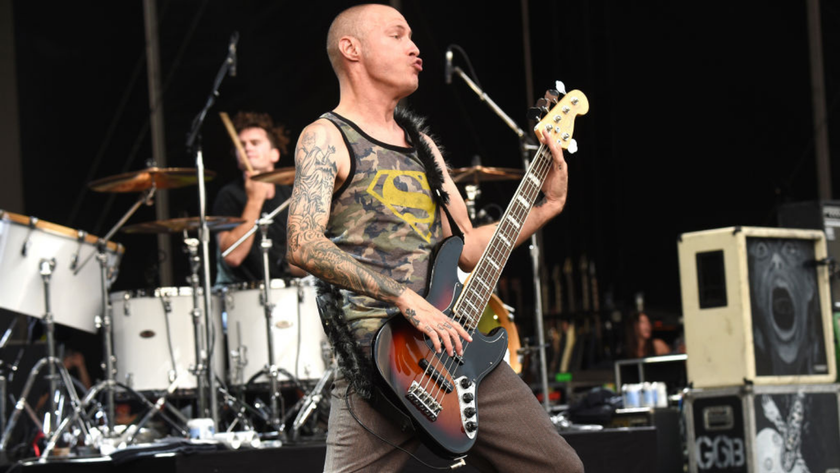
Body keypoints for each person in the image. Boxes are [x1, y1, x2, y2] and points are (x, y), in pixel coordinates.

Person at [285, 4, 583, 471]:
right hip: (379, 360)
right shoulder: (325, 137)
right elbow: (302, 244)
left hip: (454, 350)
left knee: (560, 467)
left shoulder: (423, 147)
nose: (415, 47)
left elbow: (467, 251)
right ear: (351, 49)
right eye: (397, 35)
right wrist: (406, 299)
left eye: (412, 37)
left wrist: (547, 206)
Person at [213, 111, 304, 285]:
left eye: (255, 143)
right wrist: (254, 200)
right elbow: (232, 256)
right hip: (241, 292)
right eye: (241, 145)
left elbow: (295, 264)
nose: (247, 148)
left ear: (274, 154)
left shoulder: (289, 196)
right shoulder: (228, 195)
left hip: (283, 291)